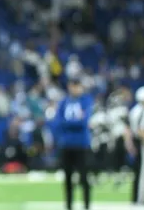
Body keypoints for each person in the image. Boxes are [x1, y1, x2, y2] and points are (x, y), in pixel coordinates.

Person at [56, 78, 93, 210]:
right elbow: (59, 122)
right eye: (73, 86)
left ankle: (87, 205)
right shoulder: (63, 102)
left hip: (81, 144)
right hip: (66, 145)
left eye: (78, 86)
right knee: (67, 178)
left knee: (84, 177)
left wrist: (70, 122)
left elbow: (83, 122)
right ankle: (68, 206)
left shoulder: (86, 101)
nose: (75, 89)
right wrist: (74, 121)